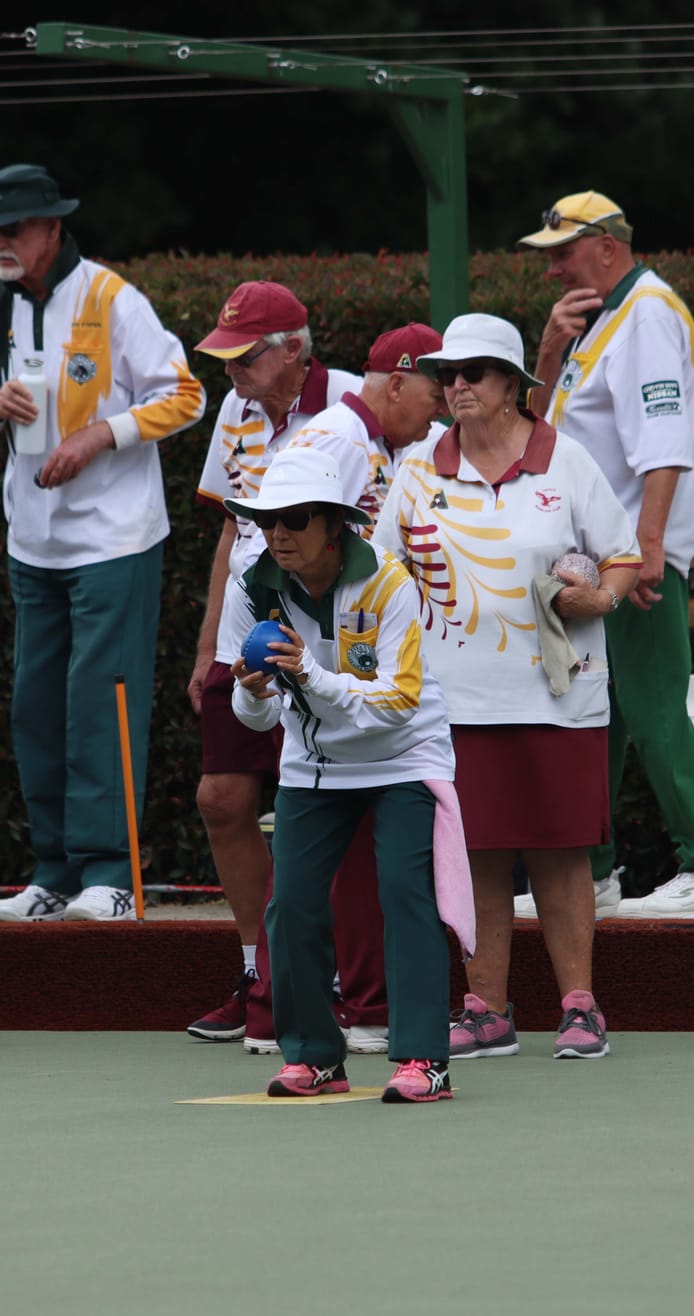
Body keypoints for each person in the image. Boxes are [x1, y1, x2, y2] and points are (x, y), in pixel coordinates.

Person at [378, 314, 640, 1060]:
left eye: (473, 373)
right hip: (453, 698)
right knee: (478, 855)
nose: (455, 385)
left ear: (511, 387)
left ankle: (581, 1007)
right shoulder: (418, 467)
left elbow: (621, 556)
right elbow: (378, 569)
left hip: (561, 696)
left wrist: (602, 597)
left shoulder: (567, 461)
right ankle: (486, 1008)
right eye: (447, 374)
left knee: (561, 854)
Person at [0, 163, 205, 923]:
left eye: (14, 229)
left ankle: (112, 872)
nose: (0, 242)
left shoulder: (111, 296)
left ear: (52, 228)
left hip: (114, 539)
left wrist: (103, 433)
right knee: (36, 707)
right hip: (34, 541)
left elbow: (186, 394)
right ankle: (54, 871)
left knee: (103, 703)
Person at [206, 323, 450, 1054]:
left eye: (293, 520)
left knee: (392, 885)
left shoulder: (373, 467)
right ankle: (293, 1027)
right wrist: (253, 676)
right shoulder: (342, 444)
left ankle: (394, 1033)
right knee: (299, 891)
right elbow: (262, 556)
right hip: (305, 697)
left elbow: (387, 687)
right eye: (435, 397)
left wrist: (312, 671)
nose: (438, 416)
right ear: (398, 383)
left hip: (383, 725)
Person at [520, 192, 694, 921]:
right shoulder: (605, 319)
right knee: (599, 718)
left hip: (629, 559)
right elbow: (539, 433)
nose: (552, 268)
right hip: (597, 558)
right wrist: (549, 352)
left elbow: (664, 441)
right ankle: (591, 873)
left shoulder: (646, 312)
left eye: (563, 251)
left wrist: (648, 547)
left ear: (607, 247)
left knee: (651, 710)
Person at [183, 280, 362, 1041]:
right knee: (221, 797)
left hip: (325, 633)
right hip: (244, 631)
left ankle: (332, 976)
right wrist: (206, 646)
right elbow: (232, 531)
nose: (232, 373)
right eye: (223, 358)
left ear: (294, 348)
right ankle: (261, 967)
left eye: (245, 357)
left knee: (328, 809)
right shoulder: (235, 410)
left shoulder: (353, 406)